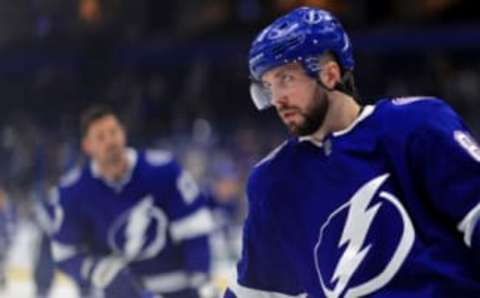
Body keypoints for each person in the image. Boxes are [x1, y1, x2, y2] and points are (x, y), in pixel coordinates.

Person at [225, 6, 480, 298]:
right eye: (268, 86)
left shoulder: (417, 126)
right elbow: (255, 291)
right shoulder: (273, 182)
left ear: (330, 74)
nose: (277, 99)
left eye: (286, 79)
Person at [50, 105, 215, 298]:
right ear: (87, 145)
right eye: (101, 137)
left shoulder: (163, 171)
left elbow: (194, 229)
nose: (110, 141)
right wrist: (97, 271)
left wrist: (201, 280)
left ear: (123, 133)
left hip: (177, 289)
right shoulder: (73, 191)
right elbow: (64, 253)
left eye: (113, 132)